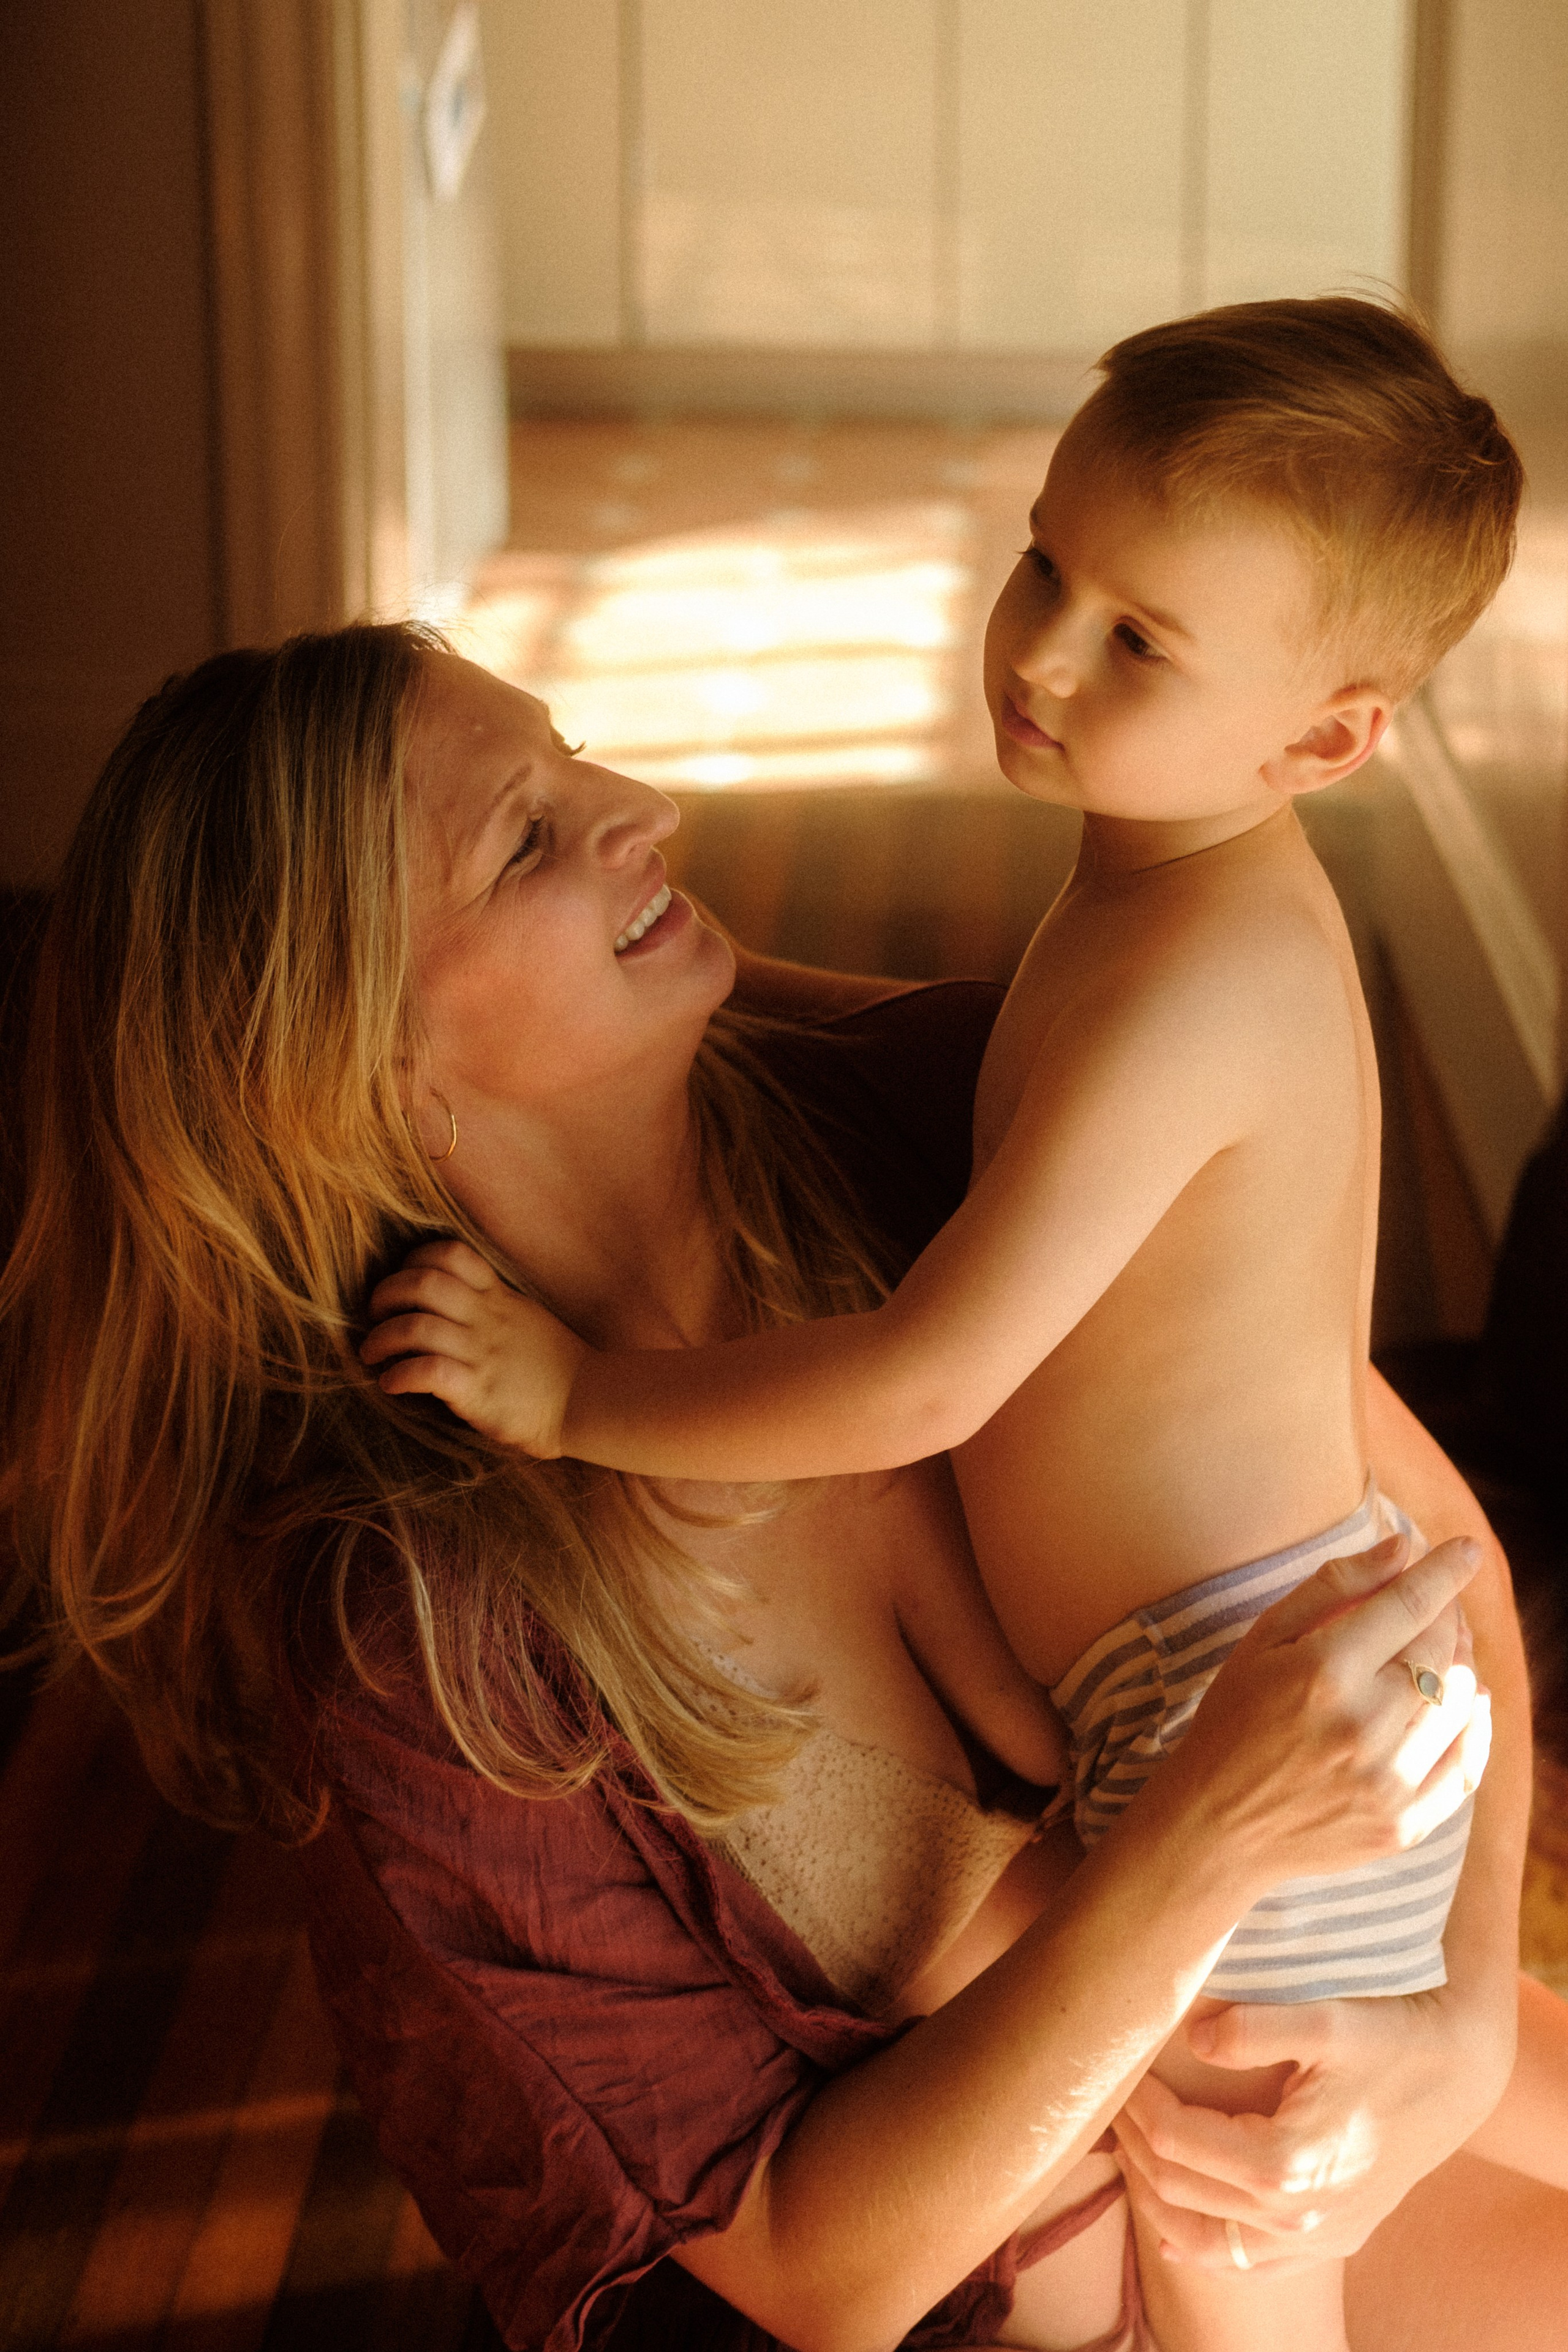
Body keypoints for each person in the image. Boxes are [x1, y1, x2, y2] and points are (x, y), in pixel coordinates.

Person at [2, 621, 1562, 2352]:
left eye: (572, 750)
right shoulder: (433, 1642)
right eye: (526, 838)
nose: (644, 808)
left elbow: (1435, 1558)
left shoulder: (932, 1128)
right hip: (1065, 2261)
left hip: (1327, 2024)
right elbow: (826, 2276)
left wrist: (1458, 2035)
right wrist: (1204, 1844)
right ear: (355, 1061)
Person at [360, 304, 1568, 2350]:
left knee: (1245, 2282)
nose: (1039, 653)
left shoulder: (1176, 982)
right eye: (1041, 566)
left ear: (1323, 742)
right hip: (1204, 1710)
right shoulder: (1130, 915)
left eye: (1138, 640)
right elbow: (817, 2270)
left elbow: (936, 1381)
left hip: (1238, 1681)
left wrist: (576, 1399)